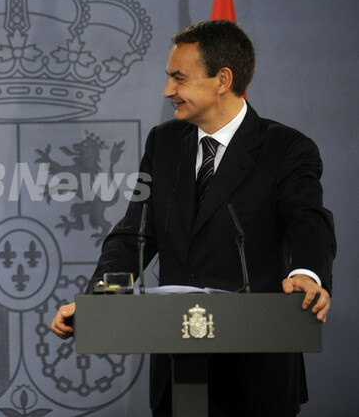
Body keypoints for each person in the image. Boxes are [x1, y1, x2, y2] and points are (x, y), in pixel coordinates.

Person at [50, 21, 335, 416]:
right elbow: (135, 234)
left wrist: (307, 273)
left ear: (222, 80)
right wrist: (99, 302)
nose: (168, 91)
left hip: (256, 373)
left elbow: (308, 220)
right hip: (178, 370)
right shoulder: (163, 143)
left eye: (179, 78)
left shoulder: (287, 148)